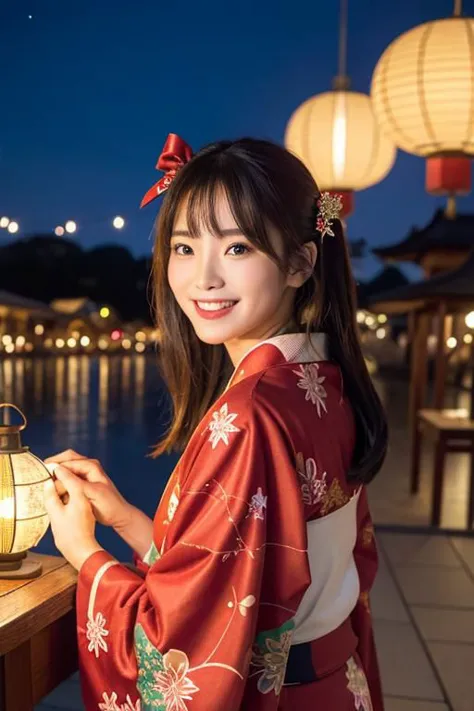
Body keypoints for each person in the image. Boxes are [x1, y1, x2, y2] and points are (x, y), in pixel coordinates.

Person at [44, 134, 388, 711]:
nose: (203, 278)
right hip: (334, 684)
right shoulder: (319, 382)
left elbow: (177, 646)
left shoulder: (251, 413)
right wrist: (128, 520)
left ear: (301, 262)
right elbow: (242, 575)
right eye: (183, 248)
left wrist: (83, 553)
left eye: (236, 249)